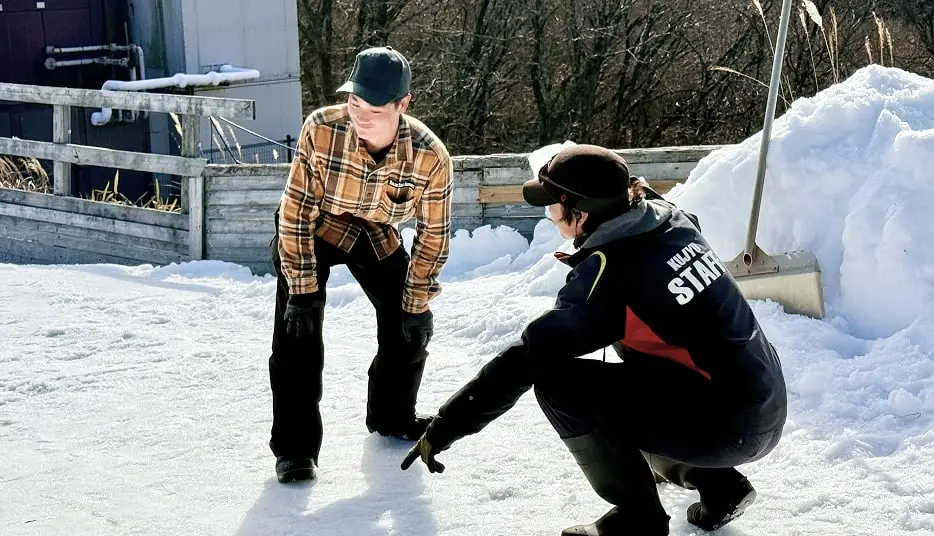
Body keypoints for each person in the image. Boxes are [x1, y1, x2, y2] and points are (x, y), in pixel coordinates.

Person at [401, 144, 787, 535]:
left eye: (552, 206)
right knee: (638, 371)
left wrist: (448, 424)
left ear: (581, 214)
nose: (549, 216)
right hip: (762, 402)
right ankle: (721, 486)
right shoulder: (669, 219)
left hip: (728, 425)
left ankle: (638, 520)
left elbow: (529, 357)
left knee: (560, 384)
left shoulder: (612, 273)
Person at [269, 46, 454, 484]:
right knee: (299, 330)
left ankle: (392, 416)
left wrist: (419, 300)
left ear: (402, 105)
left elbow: (433, 235)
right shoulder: (321, 128)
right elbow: (295, 210)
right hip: (314, 225)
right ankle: (294, 450)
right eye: (355, 102)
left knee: (407, 324)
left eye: (374, 107)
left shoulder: (430, 157)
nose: (361, 115)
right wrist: (302, 290)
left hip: (373, 230)